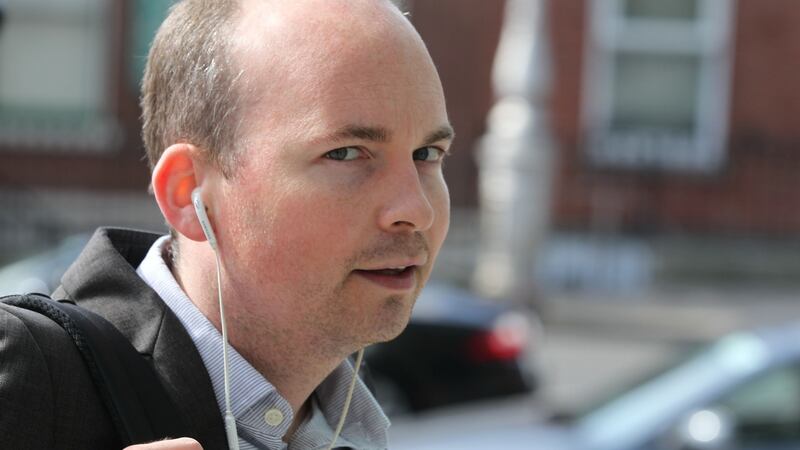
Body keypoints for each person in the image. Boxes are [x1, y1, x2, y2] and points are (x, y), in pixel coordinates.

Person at [0, 0, 453, 449]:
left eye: (427, 155)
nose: (416, 209)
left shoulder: (348, 419)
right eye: (346, 153)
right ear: (188, 193)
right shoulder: (26, 367)